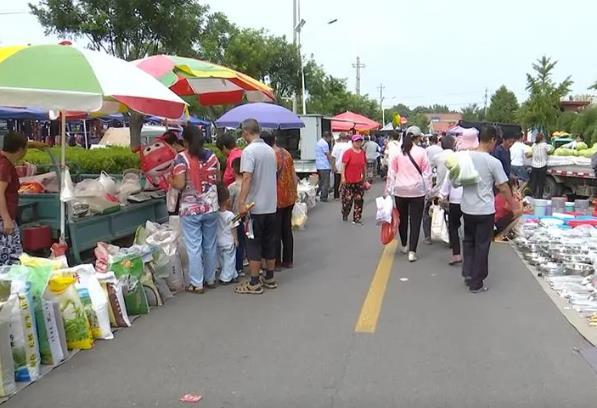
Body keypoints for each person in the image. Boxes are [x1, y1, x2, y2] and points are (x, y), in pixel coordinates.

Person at [460, 126, 521, 293]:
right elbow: (503, 186)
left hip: (467, 208)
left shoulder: (465, 157)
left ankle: (468, 273)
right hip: (484, 211)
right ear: (493, 139)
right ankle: (476, 282)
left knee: (468, 241)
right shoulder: (492, 162)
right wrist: (513, 204)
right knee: (482, 245)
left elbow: (455, 181)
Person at [169, 125, 220, 294]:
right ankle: (210, 278)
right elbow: (217, 179)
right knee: (210, 244)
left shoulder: (180, 159)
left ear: (186, 140)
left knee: (194, 246)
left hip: (190, 210)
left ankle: (197, 283)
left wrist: (171, 181)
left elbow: (180, 184)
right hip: (211, 207)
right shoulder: (212, 157)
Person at [235, 119, 278, 295]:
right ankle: (269, 277)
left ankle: (254, 282)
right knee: (269, 242)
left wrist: (241, 201)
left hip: (255, 206)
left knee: (253, 243)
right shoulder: (270, 151)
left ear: (246, 132)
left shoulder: (249, 151)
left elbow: (247, 178)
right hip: (271, 205)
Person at [385, 126, 431, 262]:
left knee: (402, 219)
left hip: (400, 191)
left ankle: (404, 245)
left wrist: (388, 190)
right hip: (417, 191)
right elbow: (427, 174)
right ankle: (412, 251)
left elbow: (391, 173)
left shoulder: (398, 153)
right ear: (417, 137)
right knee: (415, 221)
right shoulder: (422, 152)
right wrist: (429, 191)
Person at [262, 131, 298, 269]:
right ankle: (288, 260)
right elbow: (294, 175)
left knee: (275, 232)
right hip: (289, 197)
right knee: (287, 230)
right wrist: (294, 192)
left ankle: (275, 261)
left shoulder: (269, 156)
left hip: (275, 199)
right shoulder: (286, 153)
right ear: (274, 139)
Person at [0, 132, 27, 266]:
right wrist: (6, 219)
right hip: (3, 220)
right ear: (21, 150)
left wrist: (37, 145)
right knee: (12, 258)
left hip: (5, 218)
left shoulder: (2, 159)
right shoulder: (5, 166)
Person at [341, 135, 367, 224]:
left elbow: (364, 167)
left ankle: (357, 217)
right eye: (356, 141)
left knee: (359, 199)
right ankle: (345, 212)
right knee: (348, 200)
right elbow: (343, 166)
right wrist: (343, 177)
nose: (358, 143)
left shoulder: (362, 153)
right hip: (349, 181)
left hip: (359, 181)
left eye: (360, 141)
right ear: (352, 142)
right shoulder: (348, 152)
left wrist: (365, 179)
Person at [422, 134, 443, 244]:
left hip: (431, 179)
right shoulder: (441, 150)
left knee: (427, 209)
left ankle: (427, 236)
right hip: (441, 181)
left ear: (430, 141)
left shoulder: (427, 150)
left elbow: (426, 166)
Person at [216, 184, 239, 285]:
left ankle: (233, 274)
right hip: (228, 241)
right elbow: (233, 228)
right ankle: (225, 277)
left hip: (218, 241)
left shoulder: (215, 214)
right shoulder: (230, 215)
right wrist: (236, 239)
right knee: (230, 260)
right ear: (227, 200)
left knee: (223, 260)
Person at [228, 157, 246, 276]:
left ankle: (238, 267)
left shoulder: (232, 187)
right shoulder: (248, 185)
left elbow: (228, 204)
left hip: (235, 218)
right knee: (247, 243)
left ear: (233, 170)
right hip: (247, 217)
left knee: (237, 243)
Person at [528, 133, 550, 199]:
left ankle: (533, 196)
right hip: (542, 165)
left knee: (534, 182)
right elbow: (549, 151)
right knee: (541, 183)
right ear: (542, 138)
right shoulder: (544, 145)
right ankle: (539, 197)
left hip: (534, 165)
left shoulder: (534, 145)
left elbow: (531, 152)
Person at [315, 131, 333, 202]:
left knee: (321, 181)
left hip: (319, 165)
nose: (330, 140)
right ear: (327, 137)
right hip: (324, 165)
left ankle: (315, 194)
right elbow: (328, 155)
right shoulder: (325, 144)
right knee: (326, 182)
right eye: (330, 138)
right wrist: (332, 164)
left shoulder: (319, 142)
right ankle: (323, 197)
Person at [331, 133, 351, 199]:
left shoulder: (336, 146)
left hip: (337, 166)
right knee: (346, 181)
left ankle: (336, 195)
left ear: (340, 138)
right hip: (346, 166)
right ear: (346, 138)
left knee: (337, 181)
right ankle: (345, 193)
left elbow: (333, 157)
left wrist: (333, 167)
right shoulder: (349, 146)